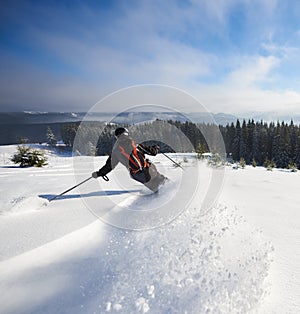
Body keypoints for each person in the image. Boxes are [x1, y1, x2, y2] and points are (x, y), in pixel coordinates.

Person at [92, 127, 168, 192]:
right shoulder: (135, 145)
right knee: (163, 183)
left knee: (155, 188)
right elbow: (153, 152)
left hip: (136, 175)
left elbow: (109, 166)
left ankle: (159, 199)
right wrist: (156, 148)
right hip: (148, 169)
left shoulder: (116, 151)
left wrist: (99, 173)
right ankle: (171, 196)